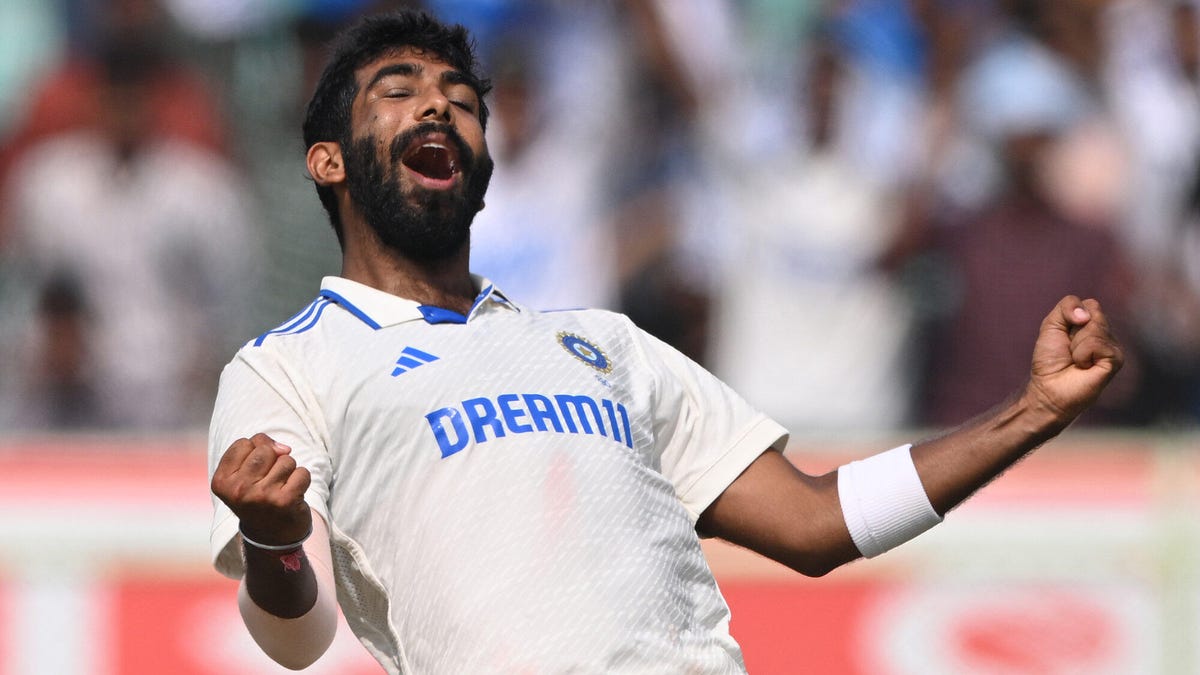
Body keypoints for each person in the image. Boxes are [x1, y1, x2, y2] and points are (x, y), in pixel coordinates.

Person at [206, 10, 1124, 673]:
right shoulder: (289, 364)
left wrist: (1031, 411)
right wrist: (276, 536)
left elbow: (814, 524)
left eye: (459, 99)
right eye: (399, 93)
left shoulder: (604, 344)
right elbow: (298, 637)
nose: (440, 110)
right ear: (327, 158)